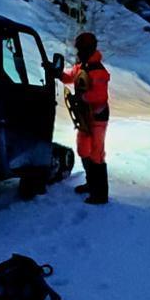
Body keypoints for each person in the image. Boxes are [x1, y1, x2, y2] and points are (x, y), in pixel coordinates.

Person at [58, 31, 110, 204]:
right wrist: (57, 73)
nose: (78, 52)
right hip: (84, 115)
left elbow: (100, 96)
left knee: (96, 153)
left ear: (89, 49)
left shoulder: (98, 71)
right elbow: (69, 77)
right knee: (83, 149)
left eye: (81, 49)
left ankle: (100, 194)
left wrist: (81, 97)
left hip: (97, 116)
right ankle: (91, 183)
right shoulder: (82, 66)